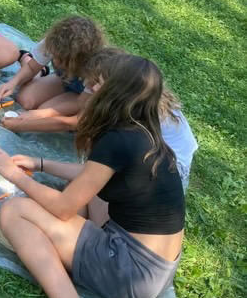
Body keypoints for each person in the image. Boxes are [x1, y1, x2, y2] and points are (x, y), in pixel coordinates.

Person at [0, 53, 185, 298]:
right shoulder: (143, 134)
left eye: (98, 84)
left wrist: (14, 175)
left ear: (116, 93)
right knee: (84, 192)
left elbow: (64, 208)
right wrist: (41, 163)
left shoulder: (117, 140)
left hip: (129, 272)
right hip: (153, 273)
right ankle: (71, 254)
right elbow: (93, 175)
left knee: (14, 212)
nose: (90, 88)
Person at [84, 48, 198, 191]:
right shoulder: (140, 97)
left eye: (99, 82)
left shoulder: (134, 117)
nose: (93, 88)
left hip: (172, 171)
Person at [0, 15, 105, 133]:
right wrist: (13, 83)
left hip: (82, 96)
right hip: (63, 80)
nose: (55, 62)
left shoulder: (96, 68)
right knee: (25, 101)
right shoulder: (54, 42)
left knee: (42, 114)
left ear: (79, 59)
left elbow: (80, 103)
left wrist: (40, 114)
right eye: (55, 56)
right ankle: (34, 64)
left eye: (61, 59)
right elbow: (32, 67)